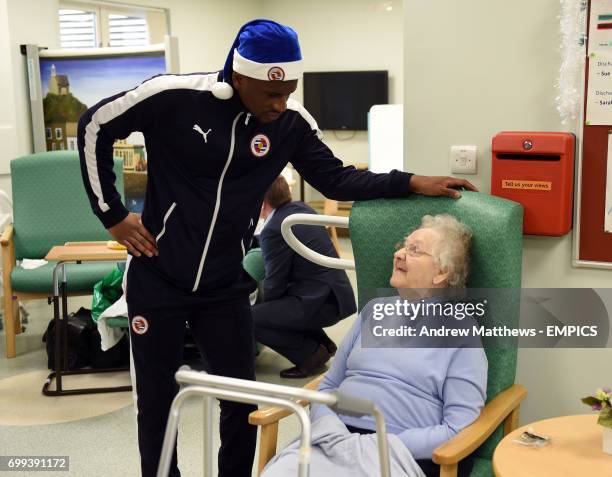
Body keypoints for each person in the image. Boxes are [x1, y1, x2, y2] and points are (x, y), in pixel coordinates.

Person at [77, 18, 477, 477]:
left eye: (288, 91)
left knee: (242, 402)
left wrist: (410, 182)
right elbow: (94, 125)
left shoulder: (290, 123)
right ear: (239, 78)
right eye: (271, 93)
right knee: (157, 401)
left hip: (224, 285)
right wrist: (111, 214)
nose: (281, 103)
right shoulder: (174, 95)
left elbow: (336, 176)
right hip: (158, 274)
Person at [262, 214, 487, 477]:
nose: (400, 254)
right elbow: (329, 385)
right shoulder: (373, 310)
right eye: (403, 246)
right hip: (331, 439)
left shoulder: (461, 331)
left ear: (441, 272)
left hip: (397, 451)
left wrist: (382, 444)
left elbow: (458, 427)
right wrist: (330, 428)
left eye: (414, 250)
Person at [253, 176, 356, 378]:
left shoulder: (274, 230)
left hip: (318, 302)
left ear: (262, 203)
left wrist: (264, 308)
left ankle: (310, 356)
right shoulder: (301, 209)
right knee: (278, 306)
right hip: (336, 296)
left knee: (249, 318)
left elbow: (275, 283)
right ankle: (323, 344)